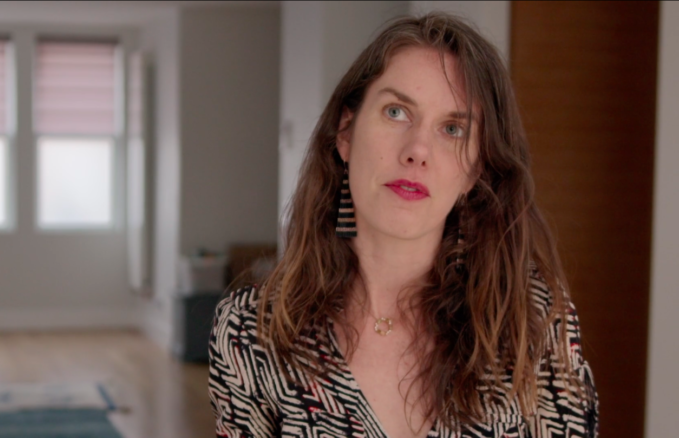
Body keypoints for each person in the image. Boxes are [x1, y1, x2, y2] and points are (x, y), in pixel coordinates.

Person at [209, 13, 598, 438]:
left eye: (452, 128)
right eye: (396, 112)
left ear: (476, 168)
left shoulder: (534, 320)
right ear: (346, 132)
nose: (417, 150)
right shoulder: (249, 331)